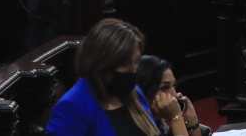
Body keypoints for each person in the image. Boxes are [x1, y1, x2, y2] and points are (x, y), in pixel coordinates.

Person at [46, 18, 188, 136]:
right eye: (126, 63)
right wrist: (176, 118)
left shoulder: (134, 93)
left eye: (136, 62)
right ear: (102, 64)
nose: (133, 70)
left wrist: (180, 119)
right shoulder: (72, 107)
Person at [136, 56, 205, 136]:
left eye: (174, 86)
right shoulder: (135, 129)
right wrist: (176, 117)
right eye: (165, 87)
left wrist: (192, 123)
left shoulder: (162, 124)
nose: (175, 95)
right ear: (143, 91)